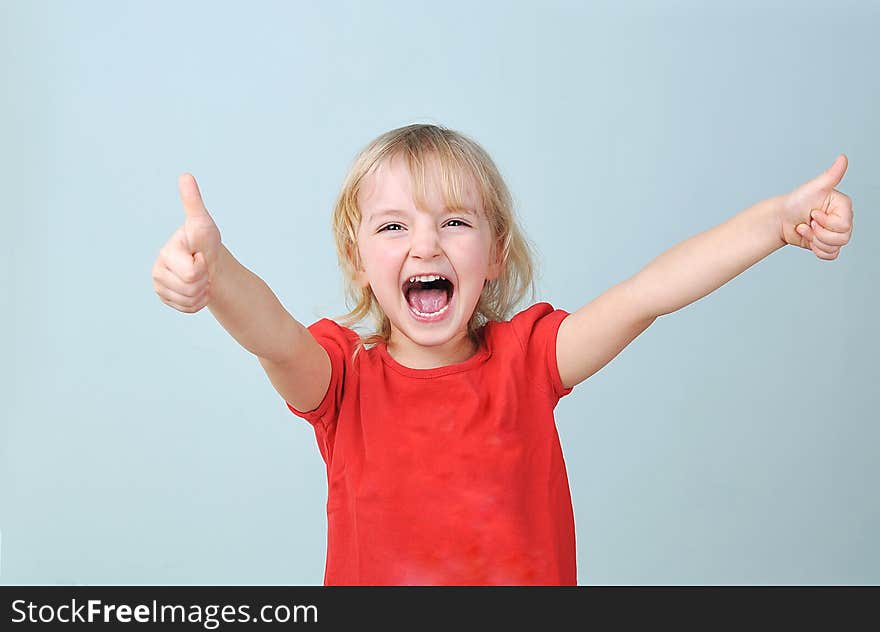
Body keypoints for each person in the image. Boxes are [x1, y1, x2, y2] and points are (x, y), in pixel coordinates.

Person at [151, 124, 853, 585]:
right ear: (357, 259)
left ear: (495, 255)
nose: (426, 245)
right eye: (394, 226)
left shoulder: (530, 358)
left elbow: (647, 294)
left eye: (455, 222)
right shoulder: (343, 377)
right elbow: (272, 333)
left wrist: (772, 223)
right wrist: (215, 277)